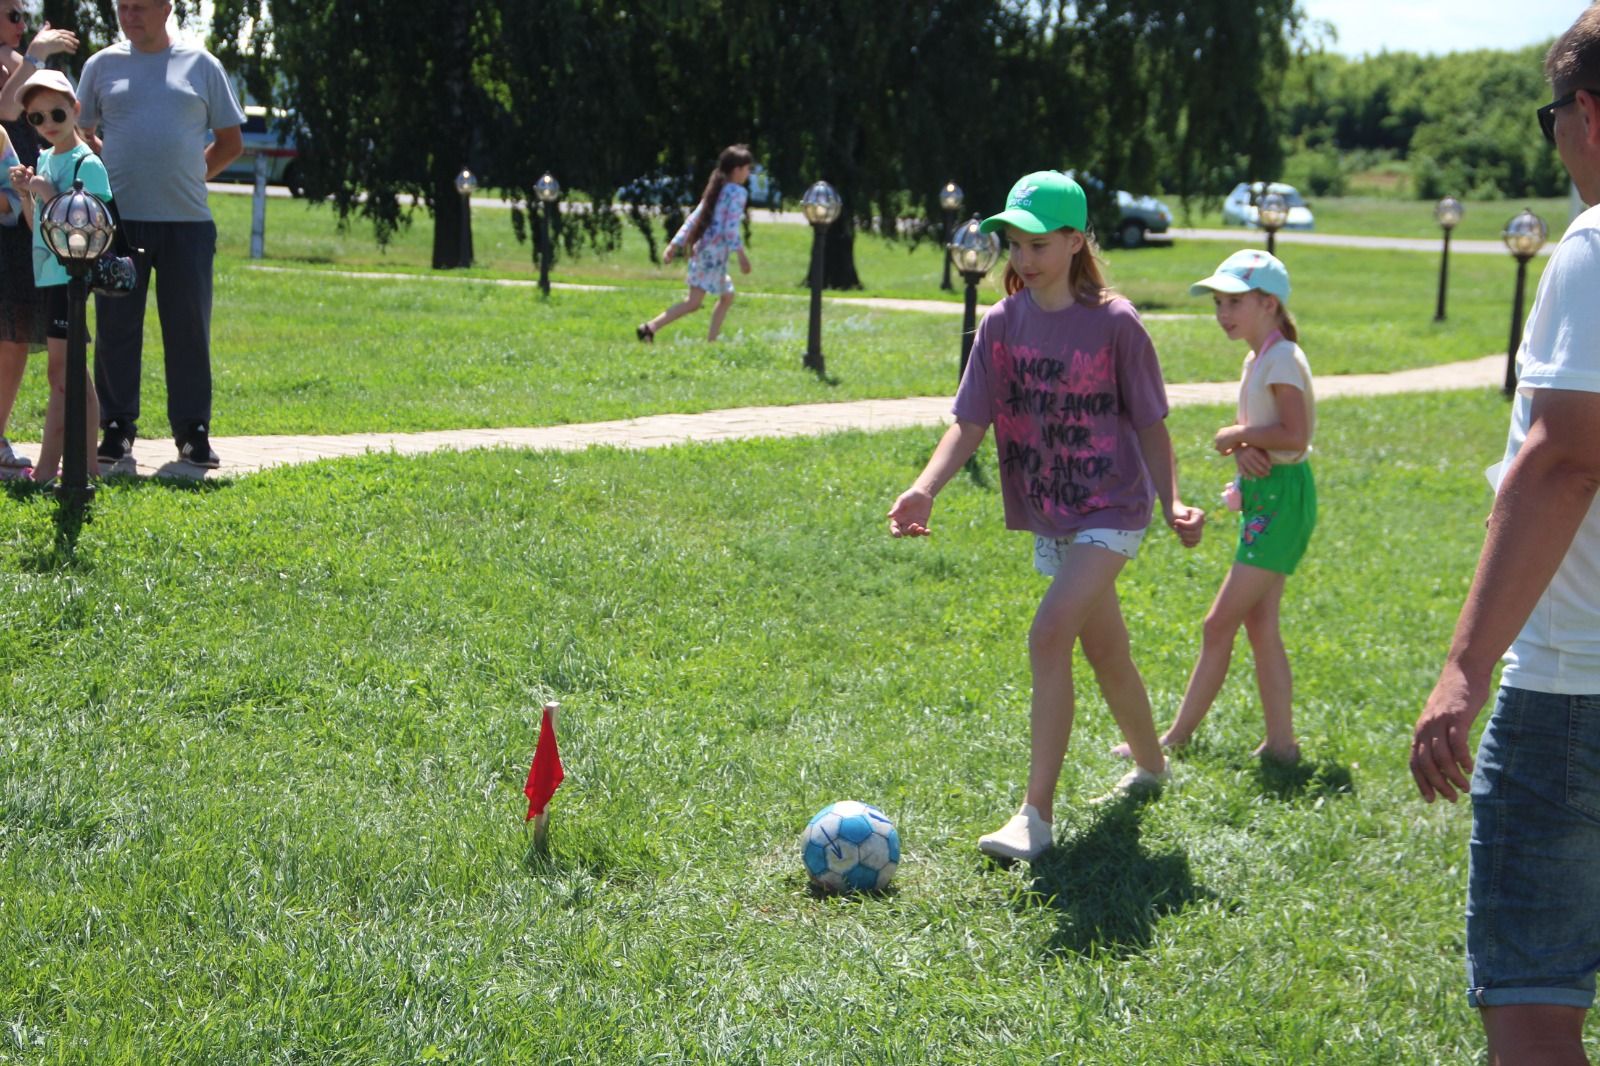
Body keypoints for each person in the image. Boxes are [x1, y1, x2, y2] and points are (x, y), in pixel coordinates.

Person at [887, 171, 1205, 863]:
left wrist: (1171, 497)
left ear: (1075, 240)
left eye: (1037, 244)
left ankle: (1035, 815)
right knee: (1104, 649)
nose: (1023, 259)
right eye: (1014, 245)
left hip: (1115, 506)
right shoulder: (1001, 325)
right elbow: (969, 422)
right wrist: (924, 489)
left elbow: (1152, 423)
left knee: (1048, 633)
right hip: (1053, 514)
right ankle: (1152, 766)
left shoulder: (1116, 323)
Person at [1409, 8, 1600, 1063]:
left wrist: (1463, 665)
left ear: (1587, 115)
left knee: (1530, 1016)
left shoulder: (1594, 247)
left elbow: (1568, 457)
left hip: (1574, 694)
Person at [1113, 250, 1315, 763]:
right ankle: (1282, 745)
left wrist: (1237, 435)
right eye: (1219, 302)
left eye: (1235, 302)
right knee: (1260, 622)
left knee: (1217, 623)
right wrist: (1249, 448)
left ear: (1269, 304)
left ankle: (1175, 738)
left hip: (1284, 500)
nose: (1223, 313)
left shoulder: (1283, 357)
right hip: (1271, 495)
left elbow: (1297, 433)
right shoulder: (1259, 356)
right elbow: (1277, 437)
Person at [74, 0, 244, 469]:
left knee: (188, 328)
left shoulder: (202, 65)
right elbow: (80, 132)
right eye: (122, 6)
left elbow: (231, 142)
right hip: (118, 223)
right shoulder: (101, 65)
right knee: (116, 327)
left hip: (187, 223)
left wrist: (188, 174)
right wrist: (110, 168)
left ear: (166, 7)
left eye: (140, 6)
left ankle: (193, 432)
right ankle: (116, 429)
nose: (129, 14)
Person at [7, 69, 106, 484]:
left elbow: (94, 228)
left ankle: (49, 471)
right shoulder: (46, 159)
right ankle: (88, 468)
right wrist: (28, 193)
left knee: (63, 377)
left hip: (73, 279)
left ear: (76, 110)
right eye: (36, 118)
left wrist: (48, 194)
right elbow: (39, 228)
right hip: (50, 277)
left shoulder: (89, 163)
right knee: (73, 377)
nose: (48, 124)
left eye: (57, 114)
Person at [0, 3, 75, 473]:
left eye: (24, 16)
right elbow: (7, 109)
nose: (20, 23)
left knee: (14, 336)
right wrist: (33, 55)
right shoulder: (19, 59)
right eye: (11, 13)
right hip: (6, 212)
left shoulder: (15, 58)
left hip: (20, 216)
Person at [636, 145, 754, 344]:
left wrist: (674, 244)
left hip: (703, 251)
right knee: (693, 303)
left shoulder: (716, 189)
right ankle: (650, 328)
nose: (748, 173)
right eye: (747, 168)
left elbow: (694, 219)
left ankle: (711, 342)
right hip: (713, 256)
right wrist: (742, 255)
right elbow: (730, 228)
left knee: (727, 296)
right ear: (737, 170)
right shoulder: (737, 193)